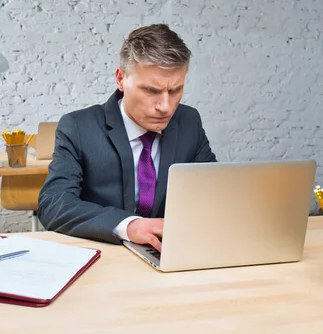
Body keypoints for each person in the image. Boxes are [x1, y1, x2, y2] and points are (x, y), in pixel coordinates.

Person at [37, 23, 217, 251]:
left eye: (175, 90)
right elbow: (54, 204)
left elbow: (213, 194)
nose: (165, 106)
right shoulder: (78, 128)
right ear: (121, 79)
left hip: (168, 255)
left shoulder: (189, 121)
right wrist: (129, 226)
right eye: (151, 90)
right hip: (103, 256)